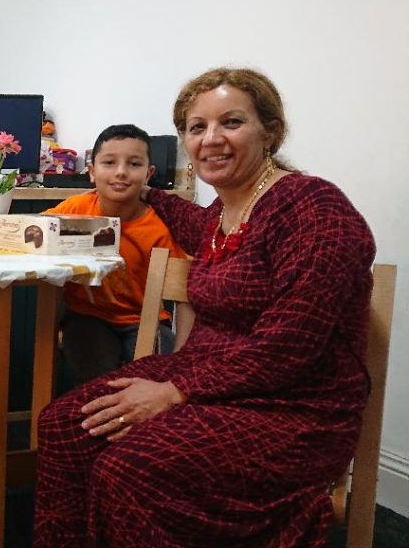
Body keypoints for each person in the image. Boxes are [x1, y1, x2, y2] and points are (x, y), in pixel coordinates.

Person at [32, 67, 376, 547]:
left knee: (129, 468)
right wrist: (134, 187)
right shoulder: (220, 214)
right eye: (197, 127)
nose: (211, 139)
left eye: (231, 122)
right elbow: (186, 216)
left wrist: (174, 390)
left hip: (293, 408)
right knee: (63, 426)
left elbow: (289, 349)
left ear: (270, 131)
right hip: (210, 378)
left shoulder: (313, 207)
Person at [43, 124, 187, 386]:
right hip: (88, 316)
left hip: (146, 319)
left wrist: (183, 352)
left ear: (148, 174)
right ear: (91, 171)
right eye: (109, 162)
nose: (120, 172)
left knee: (153, 379)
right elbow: (35, 232)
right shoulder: (78, 208)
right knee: (100, 382)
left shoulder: (159, 226)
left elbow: (184, 287)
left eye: (134, 164)